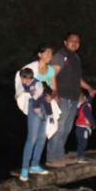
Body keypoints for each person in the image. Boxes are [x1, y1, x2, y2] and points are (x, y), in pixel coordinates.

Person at [45, 32, 96, 168]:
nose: (74, 43)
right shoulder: (61, 56)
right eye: (71, 40)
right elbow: (52, 74)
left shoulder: (75, 57)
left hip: (73, 98)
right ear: (65, 42)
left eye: (77, 41)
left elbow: (77, 79)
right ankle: (52, 158)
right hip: (62, 97)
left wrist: (89, 88)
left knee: (67, 128)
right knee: (59, 127)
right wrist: (55, 93)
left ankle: (60, 154)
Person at [14, 46, 58, 181]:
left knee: (42, 137)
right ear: (40, 54)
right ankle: (24, 169)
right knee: (32, 138)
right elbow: (20, 79)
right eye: (47, 52)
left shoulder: (51, 70)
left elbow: (54, 88)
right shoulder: (32, 68)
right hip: (34, 105)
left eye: (51, 53)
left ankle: (35, 164)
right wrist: (21, 94)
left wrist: (52, 96)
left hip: (47, 105)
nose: (50, 55)